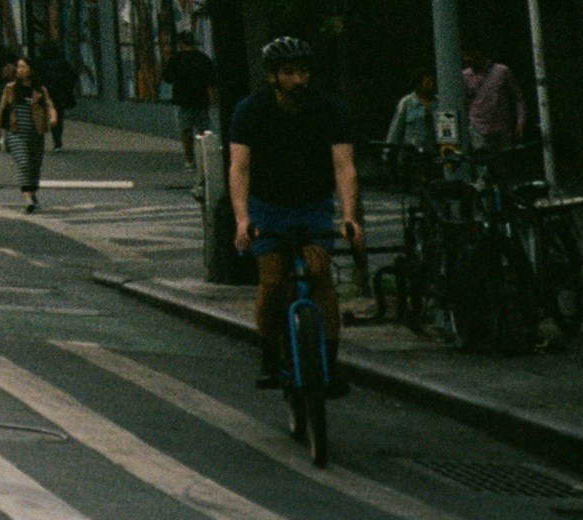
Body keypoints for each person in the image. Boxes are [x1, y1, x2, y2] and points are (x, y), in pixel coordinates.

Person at [226, 36, 359, 394]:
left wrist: (349, 216)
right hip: (267, 205)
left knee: (320, 275)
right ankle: (270, 359)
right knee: (271, 280)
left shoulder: (329, 109)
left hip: (313, 204)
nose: (298, 80)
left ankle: (328, 365)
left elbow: (344, 167)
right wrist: (242, 219)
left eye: (303, 72)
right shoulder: (251, 111)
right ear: (273, 76)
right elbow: (239, 168)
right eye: (289, 73)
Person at [0, 56, 56, 210]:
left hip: (35, 133)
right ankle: (27, 196)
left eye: (23, 67)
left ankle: (32, 193)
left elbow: (49, 105)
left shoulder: (40, 90)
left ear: (31, 70)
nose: (20, 70)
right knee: (23, 162)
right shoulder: (11, 88)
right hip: (16, 132)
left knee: (34, 165)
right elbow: (2, 109)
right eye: (18, 67)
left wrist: (53, 117)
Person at [161, 37, 217, 168]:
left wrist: (167, 58)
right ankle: (206, 158)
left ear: (181, 44)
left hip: (183, 100)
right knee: (203, 130)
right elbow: (211, 79)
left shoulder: (176, 58)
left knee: (186, 130)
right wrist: (211, 96)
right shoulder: (203, 58)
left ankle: (189, 159)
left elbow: (168, 77)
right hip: (201, 99)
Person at [461, 47, 527, 153]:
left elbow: (517, 98)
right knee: (482, 163)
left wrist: (520, 121)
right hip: (477, 127)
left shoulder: (501, 71)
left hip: (501, 128)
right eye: (465, 57)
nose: (468, 60)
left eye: (470, 56)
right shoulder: (465, 76)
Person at [381, 71, 438, 186]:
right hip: (412, 155)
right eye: (427, 82)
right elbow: (396, 128)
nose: (431, 85)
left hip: (433, 154)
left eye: (433, 82)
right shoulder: (406, 103)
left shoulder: (439, 102)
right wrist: (388, 152)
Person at [37, 42, 79, 151]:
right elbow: (73, 77)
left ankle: (39, 141)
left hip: (44, 93)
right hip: (59, 95)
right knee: (58, 118)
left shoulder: (40, 63)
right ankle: (57, 142)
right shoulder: (63, 63)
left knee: (40, 116)